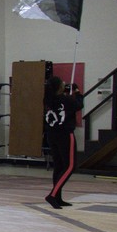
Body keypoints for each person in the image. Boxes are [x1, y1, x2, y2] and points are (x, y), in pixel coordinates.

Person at [44, 76, 84, 209]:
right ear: (59, 87)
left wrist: (67, 93)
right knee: (70, 166)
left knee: (59, 166)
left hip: (52, 135)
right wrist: (77, 92)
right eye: (62, 83)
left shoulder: (48, 100)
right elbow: (79, 105)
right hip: (65, 135)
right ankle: (53, 195)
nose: (64, 83)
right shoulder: (67, 100)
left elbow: (63, 104)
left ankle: (58, 197)